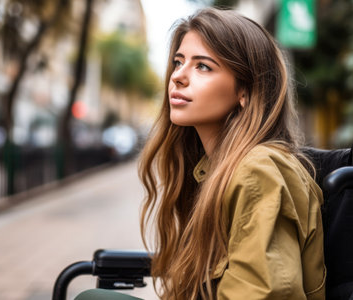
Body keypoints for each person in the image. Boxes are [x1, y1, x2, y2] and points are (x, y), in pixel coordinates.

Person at [76, 7, 325, 300]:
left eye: (203, 66)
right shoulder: (211, 169)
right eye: (178, 62)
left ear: (245, 91)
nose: (178, 76)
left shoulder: (258, 172)